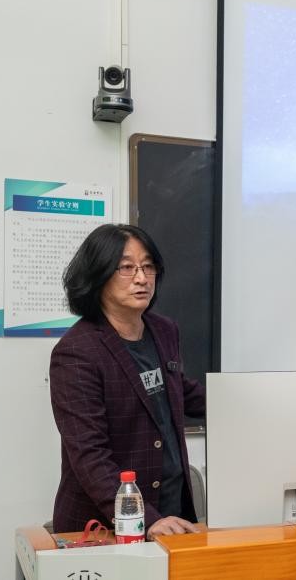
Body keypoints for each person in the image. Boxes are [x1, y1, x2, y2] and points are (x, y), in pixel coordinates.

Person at [49, 223, 205, 540]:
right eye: (126, 267)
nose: (142, 278)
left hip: (172, 510)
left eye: (148, 266)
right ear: (98, 275)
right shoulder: (76, 352)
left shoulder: (164, 330)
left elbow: (178, 391)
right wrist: (146, 519)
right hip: (105, 525)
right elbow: (90, 456)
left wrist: (244, 401)